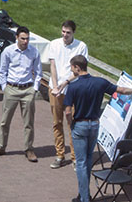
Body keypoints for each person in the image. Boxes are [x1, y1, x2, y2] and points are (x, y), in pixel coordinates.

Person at [64, 55, 132, 202]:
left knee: (81, 163)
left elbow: (68, 111)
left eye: (72, 67)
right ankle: (83, 194)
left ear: (77, 67)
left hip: (80, 125)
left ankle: (84, 198)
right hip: (95, 124)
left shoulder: (74, 86)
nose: (71, 70)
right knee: (88, 161)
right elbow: (121, 90)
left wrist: (70, 124)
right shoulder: (100, 82)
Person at [0, 26, 42, 163]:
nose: (25, 41)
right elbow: (2, 71)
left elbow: (38, 72)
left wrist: (34, 89)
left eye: (27, 39)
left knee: (28, 122)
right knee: (5, 121)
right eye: (23, 38)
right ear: (17, 38)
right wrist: (5, 87)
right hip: (11, 89)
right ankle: (0, 146)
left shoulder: (34, 52)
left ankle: (29, 148)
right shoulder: (8, 51)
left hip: (27, 90)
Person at [47, 20, 88, 169]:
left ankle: (75, 157)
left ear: (73, 33)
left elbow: (79, 71)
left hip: (73, 90)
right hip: (55, 89)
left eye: (68, 32)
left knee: (73, 123)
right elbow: (53, 66)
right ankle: (60, 155)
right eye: (63, 31)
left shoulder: (81, 47)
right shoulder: (54, 44)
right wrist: (55, 86)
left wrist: (65, 83)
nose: (65, 35)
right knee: (57, 122)